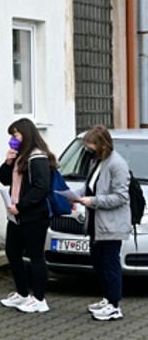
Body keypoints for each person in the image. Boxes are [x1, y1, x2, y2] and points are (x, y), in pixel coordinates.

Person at [0, 117, 55, 313]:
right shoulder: (20, 156)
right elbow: (5, 179)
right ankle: (22, 293)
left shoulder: (37, 156)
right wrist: (8, 162)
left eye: (15, 135)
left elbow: (41, 187)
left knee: (36, 255)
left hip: (33, 215)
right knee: (12, 252)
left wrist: (21, 206)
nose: (13, 139)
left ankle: (39, 299)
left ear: (25, 134)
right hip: (16, 216)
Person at [77, 125, 131, 321]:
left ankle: (115, 305)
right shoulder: (97, 161)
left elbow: (120, 197)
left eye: (91, 145)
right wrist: (75, 196)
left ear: (102, 145)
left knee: (110, 264)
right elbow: (89, 186)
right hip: (95, 222)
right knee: (98, 262)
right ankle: (107, 298)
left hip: (111, 224)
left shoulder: (117, 164)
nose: (88, 149)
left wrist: (93, 201)